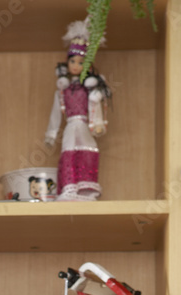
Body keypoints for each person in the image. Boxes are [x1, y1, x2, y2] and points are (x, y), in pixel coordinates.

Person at [45, 19, 111, 201]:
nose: (75, 65)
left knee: (87, 152)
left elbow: (95, 107)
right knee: (69, 153)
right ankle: (69, 187)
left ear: (88, 66)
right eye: (72, 61)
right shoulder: (63, 90)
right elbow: (56, 113)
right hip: (70, 126)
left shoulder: (89, 89)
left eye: (80, 62)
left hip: (84, 125)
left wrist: (97, 122)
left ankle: (85, 188)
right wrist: (51, 134)